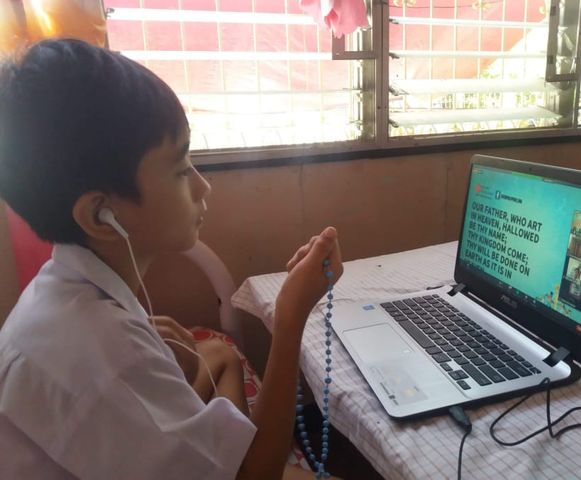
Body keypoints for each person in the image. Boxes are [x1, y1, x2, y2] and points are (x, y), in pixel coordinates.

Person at [0, 39, 343, 480]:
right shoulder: (107, 358)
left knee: (218, 354)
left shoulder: (65, 295)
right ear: (100, 215)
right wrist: (291, 314)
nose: (203, 188)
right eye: (181, 170)